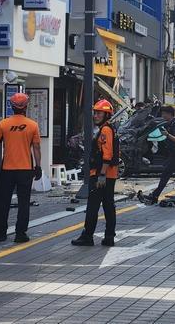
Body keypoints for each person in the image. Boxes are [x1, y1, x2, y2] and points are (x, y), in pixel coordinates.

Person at [0, 93, 42, 243]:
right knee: (23, 202)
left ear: (12, 107)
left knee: (4, 202)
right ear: (26, 107)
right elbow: (36, 148)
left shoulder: (3, 124)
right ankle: (20, 234)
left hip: (7, 168)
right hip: (25, 169)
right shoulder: (33, 125)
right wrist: (38, 166)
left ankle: (1, 233)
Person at [71, 99, 119, 247]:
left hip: (101, 175)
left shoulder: (105, 130)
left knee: (93, 206)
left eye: (99, 113)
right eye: (95, 113)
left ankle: (87, 236)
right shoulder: (109, 128)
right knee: (108, 205)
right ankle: (109, 236)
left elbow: (107, 154)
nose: (95, 116)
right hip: (108, 174)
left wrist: (102, 175)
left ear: (106, 115)